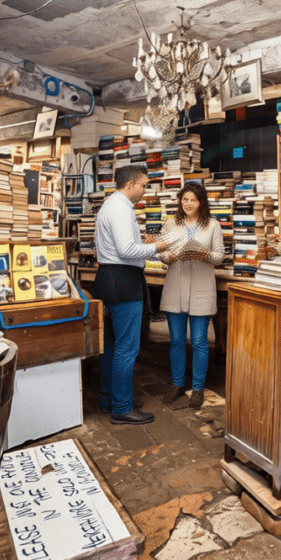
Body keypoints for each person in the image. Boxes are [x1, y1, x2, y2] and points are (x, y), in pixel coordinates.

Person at [94, 165, 168, 425]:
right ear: (130, 185)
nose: (144, 190)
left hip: (108, 279)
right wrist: (156, 246)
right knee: (126, 349)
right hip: (123, 281)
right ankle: (122, 408)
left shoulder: (109, 206)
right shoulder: (122, 209)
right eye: (143, 185)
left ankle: (109, 400)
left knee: (112, 347)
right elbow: (126, 250)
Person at [158, 183, 225, 409]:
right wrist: (169, 256)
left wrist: (206, 254)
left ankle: (197, 388)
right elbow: (161, 252)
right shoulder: (171, 223)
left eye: (193, 200)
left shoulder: (213, 225)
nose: (188, 204)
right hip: (175, 287)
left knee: (199, 342)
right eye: (185, 199)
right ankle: (177, 385)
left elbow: (220, 256)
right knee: (176, 342)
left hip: (201, 289)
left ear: (201, 202)